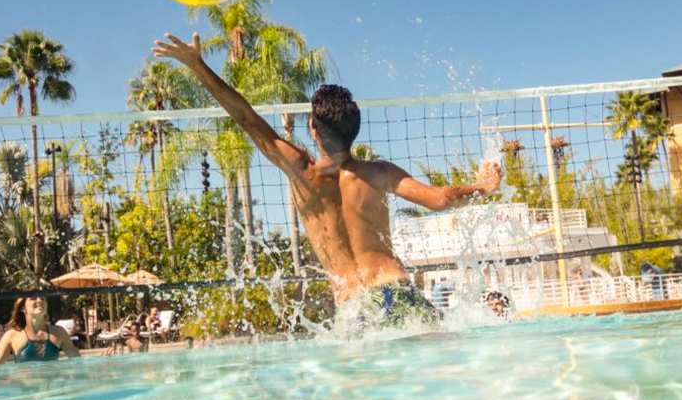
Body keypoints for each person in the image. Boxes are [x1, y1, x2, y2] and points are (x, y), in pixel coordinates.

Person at [152, 33, 502, 327]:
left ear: (312, 129)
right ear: (355, 130)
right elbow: (439, 198)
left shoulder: (300, 171)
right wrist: (482, 186)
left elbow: (246, 118)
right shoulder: (378, 173)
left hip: (356, 307)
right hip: (396, 289)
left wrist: (197, 65)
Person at [0, 297, 80, 363]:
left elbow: (78, 362)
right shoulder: (12, 336)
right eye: (33, 298)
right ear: (23, 308)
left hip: (53, 386)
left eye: (43, 299)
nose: (39, 300)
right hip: (24, 386)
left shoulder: (59, 332)